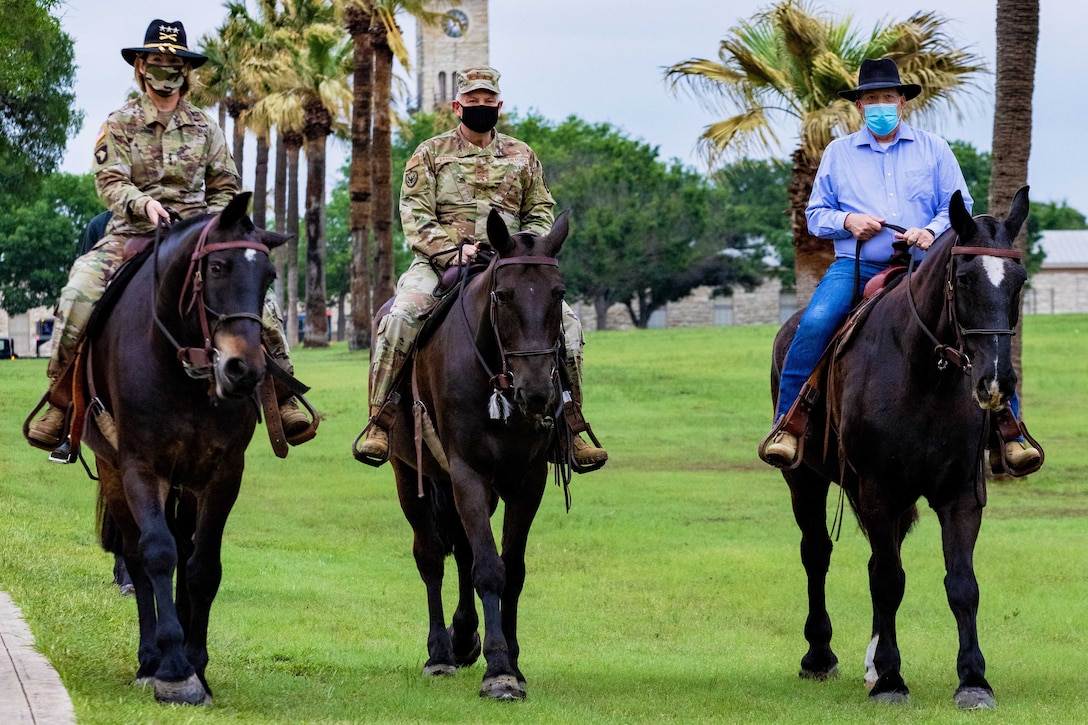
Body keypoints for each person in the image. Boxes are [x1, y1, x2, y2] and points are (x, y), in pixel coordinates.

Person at [27, 19, 310, 448]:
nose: (166, 70)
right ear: (141, 67)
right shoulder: (118, 124)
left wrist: (213, 225)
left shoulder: (205, 128)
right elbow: (110, 181)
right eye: (157, 62)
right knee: (77, 295)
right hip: (131, 234)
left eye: (174, 63)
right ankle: (60, 399)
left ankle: (283, 394)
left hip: (196, 236)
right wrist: (145, 204)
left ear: (185, 71)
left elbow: (225, 188)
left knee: (258, 302)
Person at [760, 58, 1040, 471]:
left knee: (982, 323)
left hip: (928, 268)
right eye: (870, 99)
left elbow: (959, 207)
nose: (879, 105)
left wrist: (929, 231)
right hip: (858, 267)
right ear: (858, 107)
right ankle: (789, 423)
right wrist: (847, 221)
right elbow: (816, 215)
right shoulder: (838, 154)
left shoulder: (935, 149)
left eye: (887, 98)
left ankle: (1009, 429)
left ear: (902, 103)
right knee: (815, 323)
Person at [356, 66, 607, 467]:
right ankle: (380, 422)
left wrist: (524, 249)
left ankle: (571, 428)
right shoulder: (430, 153)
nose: (480, 107)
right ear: (457, 106)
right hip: (440, 264)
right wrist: (454, 250)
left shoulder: (522, 155)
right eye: (472, 102)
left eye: (488, 102)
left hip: (510, 265)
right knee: (399, 319)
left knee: (570, 326)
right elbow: (415, 215)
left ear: (499, 106)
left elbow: (541, 209)